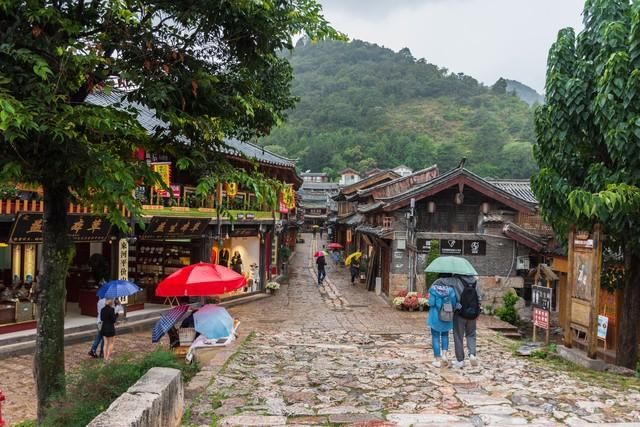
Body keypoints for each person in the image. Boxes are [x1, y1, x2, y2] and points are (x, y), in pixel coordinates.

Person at [451, 275, 481, 369]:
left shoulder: (456, 281)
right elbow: (479, 298)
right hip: (472, 314)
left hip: (460, 314)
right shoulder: (476, 282)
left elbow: (453, 296)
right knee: (471, 334)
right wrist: (477, 312)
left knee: (458, 336)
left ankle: (460, 360)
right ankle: (472, 354)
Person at [427, 276, 458, 368]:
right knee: (445, 335)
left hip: (435, 316)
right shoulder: (451, 290)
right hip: (446, 315)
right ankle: (444, 355)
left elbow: (431, 303)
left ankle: (437, 360)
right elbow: (453, 303)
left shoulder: (433, 289)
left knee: (435, 337)